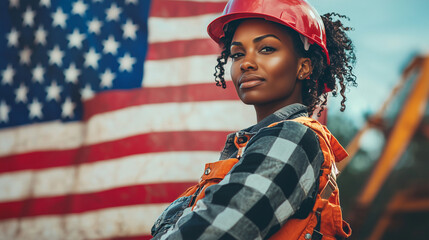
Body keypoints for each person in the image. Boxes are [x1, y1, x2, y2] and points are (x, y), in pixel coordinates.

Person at [151, 0, 356, 239]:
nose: (246, 63)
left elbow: (215, 232)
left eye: (267, 49)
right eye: (237, 54)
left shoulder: (294, 136)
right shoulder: (253, 145)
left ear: (304, 67)